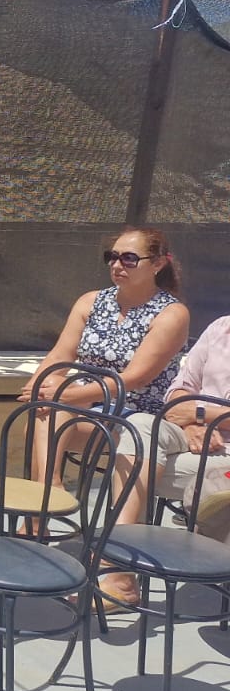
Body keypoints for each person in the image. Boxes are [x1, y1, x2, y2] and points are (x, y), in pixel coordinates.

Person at [17, 227, 188, 536]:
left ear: (158, 264)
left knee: (55, 404)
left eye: (129, 258)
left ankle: (39, 513)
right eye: (112, 257)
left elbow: (136, 378)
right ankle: (49, 490)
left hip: (135, 417)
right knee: (42, 411)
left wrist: (69, 395)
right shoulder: (91, 302)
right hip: (90, 409)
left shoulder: (171, 314)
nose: (117, 265)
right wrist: (39, 385)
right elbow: (60, 355)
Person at [105, 314, 230, 604]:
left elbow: (189, 406)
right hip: (195, 436)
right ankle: (121, 543)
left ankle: (119, 566)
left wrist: (200, 414)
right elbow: (178, 390)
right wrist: (191, 424)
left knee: (138, 463)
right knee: (139, 426)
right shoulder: (220, 327)